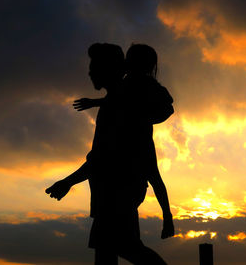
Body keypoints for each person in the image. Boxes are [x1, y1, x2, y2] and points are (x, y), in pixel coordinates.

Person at [46, 43, 173, 265]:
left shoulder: (121, 108)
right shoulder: (121, 103)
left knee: (126, 248)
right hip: (114, 193)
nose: (90, 72)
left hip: (118, 192)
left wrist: (67, 182)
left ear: (110, 69)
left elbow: (102, 159)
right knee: (109, 252)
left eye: (94, 66)